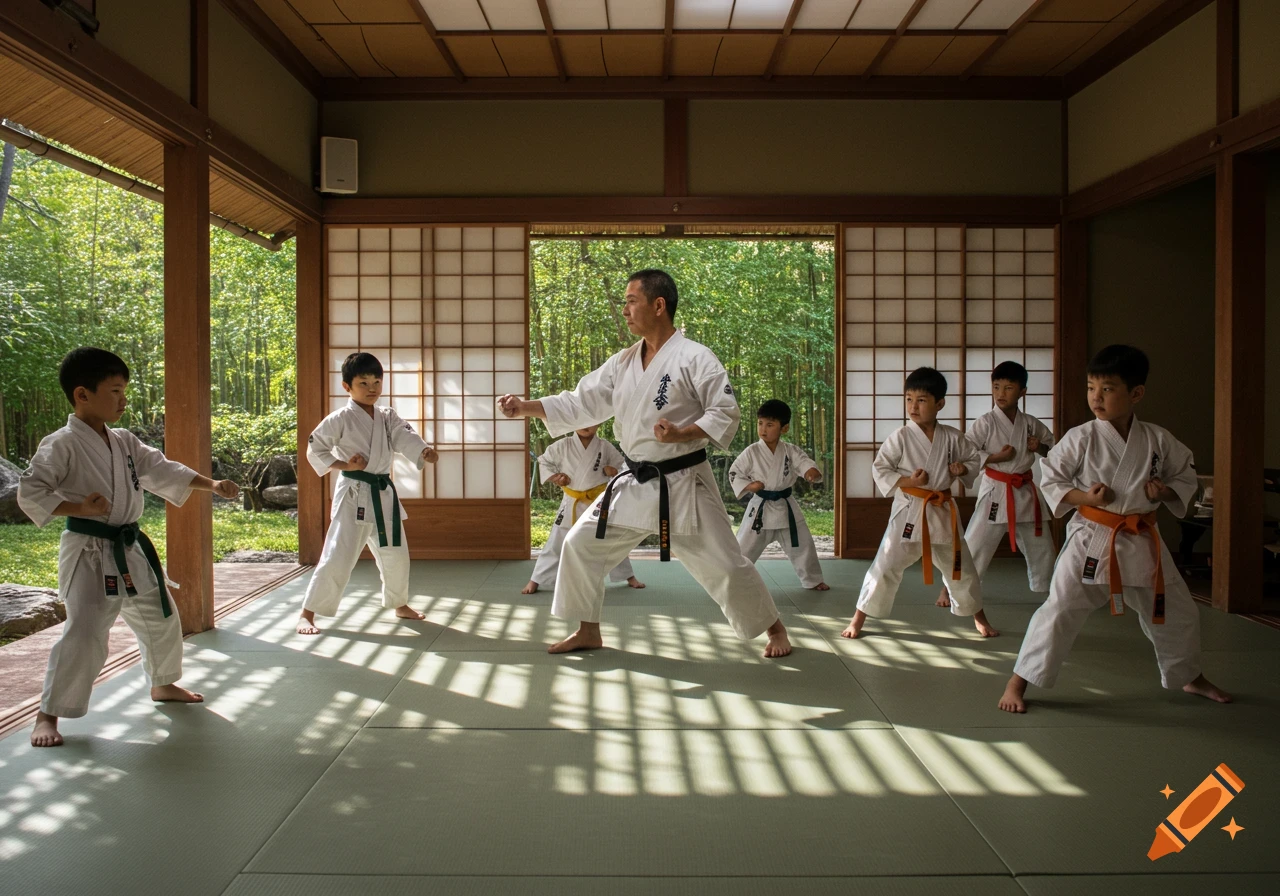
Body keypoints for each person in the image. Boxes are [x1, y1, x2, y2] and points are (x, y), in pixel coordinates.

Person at [498, 269, 791, 658]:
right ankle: (588, 630)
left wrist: (681, 433)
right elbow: (581, 401)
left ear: (659, 305)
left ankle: (776, 630)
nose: (624, 310)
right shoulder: (622, 363)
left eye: (631, 301)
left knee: (726, 567)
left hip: (683, 481)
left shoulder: (695, 357)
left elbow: (725, 412)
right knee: (582, 544)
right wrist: (526, 408)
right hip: (634, 479)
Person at [19, 347, 240, 747]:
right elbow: (30, 491)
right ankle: (47, 715)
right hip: (88, 549)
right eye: (115, 391)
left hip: (128, 545)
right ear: (82, 394)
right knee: (84, 632)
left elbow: (161, 468)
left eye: (125, 391)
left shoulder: (122, 440)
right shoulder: (62, 443)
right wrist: (79, 506)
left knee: (162, 615)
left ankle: (163, 684)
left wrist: (212, 485)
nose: (123, 400)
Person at [998, 345, 1231, 713]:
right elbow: (1051, 479)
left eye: (1107, 389)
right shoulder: (1081, 437)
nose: (1095, 397)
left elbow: (1183, 475)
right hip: (1091, 539)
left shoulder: (1157, 439)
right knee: (1058, 611)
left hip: (1141, 539)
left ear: (1136, 393)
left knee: (1178, 610)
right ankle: (1018, 681)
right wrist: (1085, 497)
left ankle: (1189, 676)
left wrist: (1165, 491)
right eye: (1091, 387)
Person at [843, 367, 999, 640]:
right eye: (908, 399)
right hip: (910, 512)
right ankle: (858, 618)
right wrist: (909, 481)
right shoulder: (901, 436)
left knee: (962, 568)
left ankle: (979, 616)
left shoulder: (952, 436)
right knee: (885, 565)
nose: (913, 406)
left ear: (940, 404)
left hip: (941, 511)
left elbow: (974, 459)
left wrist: (962, 469)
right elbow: (880, 468)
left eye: (922, 400)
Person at [296, 352, 438, 635]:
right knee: (339, 554)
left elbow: (403, 435)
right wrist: (344, 464)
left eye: (377, 381)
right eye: (363, 382)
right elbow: (316, 449)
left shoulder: (387, 415)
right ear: (347, 386)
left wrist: (422, 451)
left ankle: (399, 603)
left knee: (396, 553)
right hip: (354, 493)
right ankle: (307, 613)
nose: (372, 388)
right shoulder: (339, 419)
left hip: (383, 493)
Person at [937, 360, 1055, 608]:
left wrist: (1040, 447)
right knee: (975, 544)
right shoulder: (986, 422)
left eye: (1009, 388)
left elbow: (1054, 450)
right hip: (995, 491)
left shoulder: (1031, 423)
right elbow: (966, 452)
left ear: (1022, 391)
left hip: (1024, 490)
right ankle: (949, 588)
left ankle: (1050, 591)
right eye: (997, 387)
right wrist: (996, 458)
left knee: (1041, 544)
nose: (1001, 394)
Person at [524, 424, 645, 595]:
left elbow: (624, 468)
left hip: (598, 501)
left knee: (609, 538)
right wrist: (555, 477)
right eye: (581, 421)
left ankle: (628, 576)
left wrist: (613, 471)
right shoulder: (563, 445)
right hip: (572, 501)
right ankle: (536, 579)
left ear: (598, 423)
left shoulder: (605, 446)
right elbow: (544, 462)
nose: (586, 425)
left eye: (591, 421)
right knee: (557, 540)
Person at [729, 399, 828, 590]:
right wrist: (750, 485)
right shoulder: (752, 452)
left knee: (803, 545)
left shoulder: (790, 451)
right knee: (743, 548)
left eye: (770, 424)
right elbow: (734, 472)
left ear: (784, 428)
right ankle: (734, 579)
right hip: (760, 508)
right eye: (760, 424)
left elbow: (804, 462)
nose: (763, 429)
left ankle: (813, 580)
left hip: (785, 507)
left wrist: (810, 472)